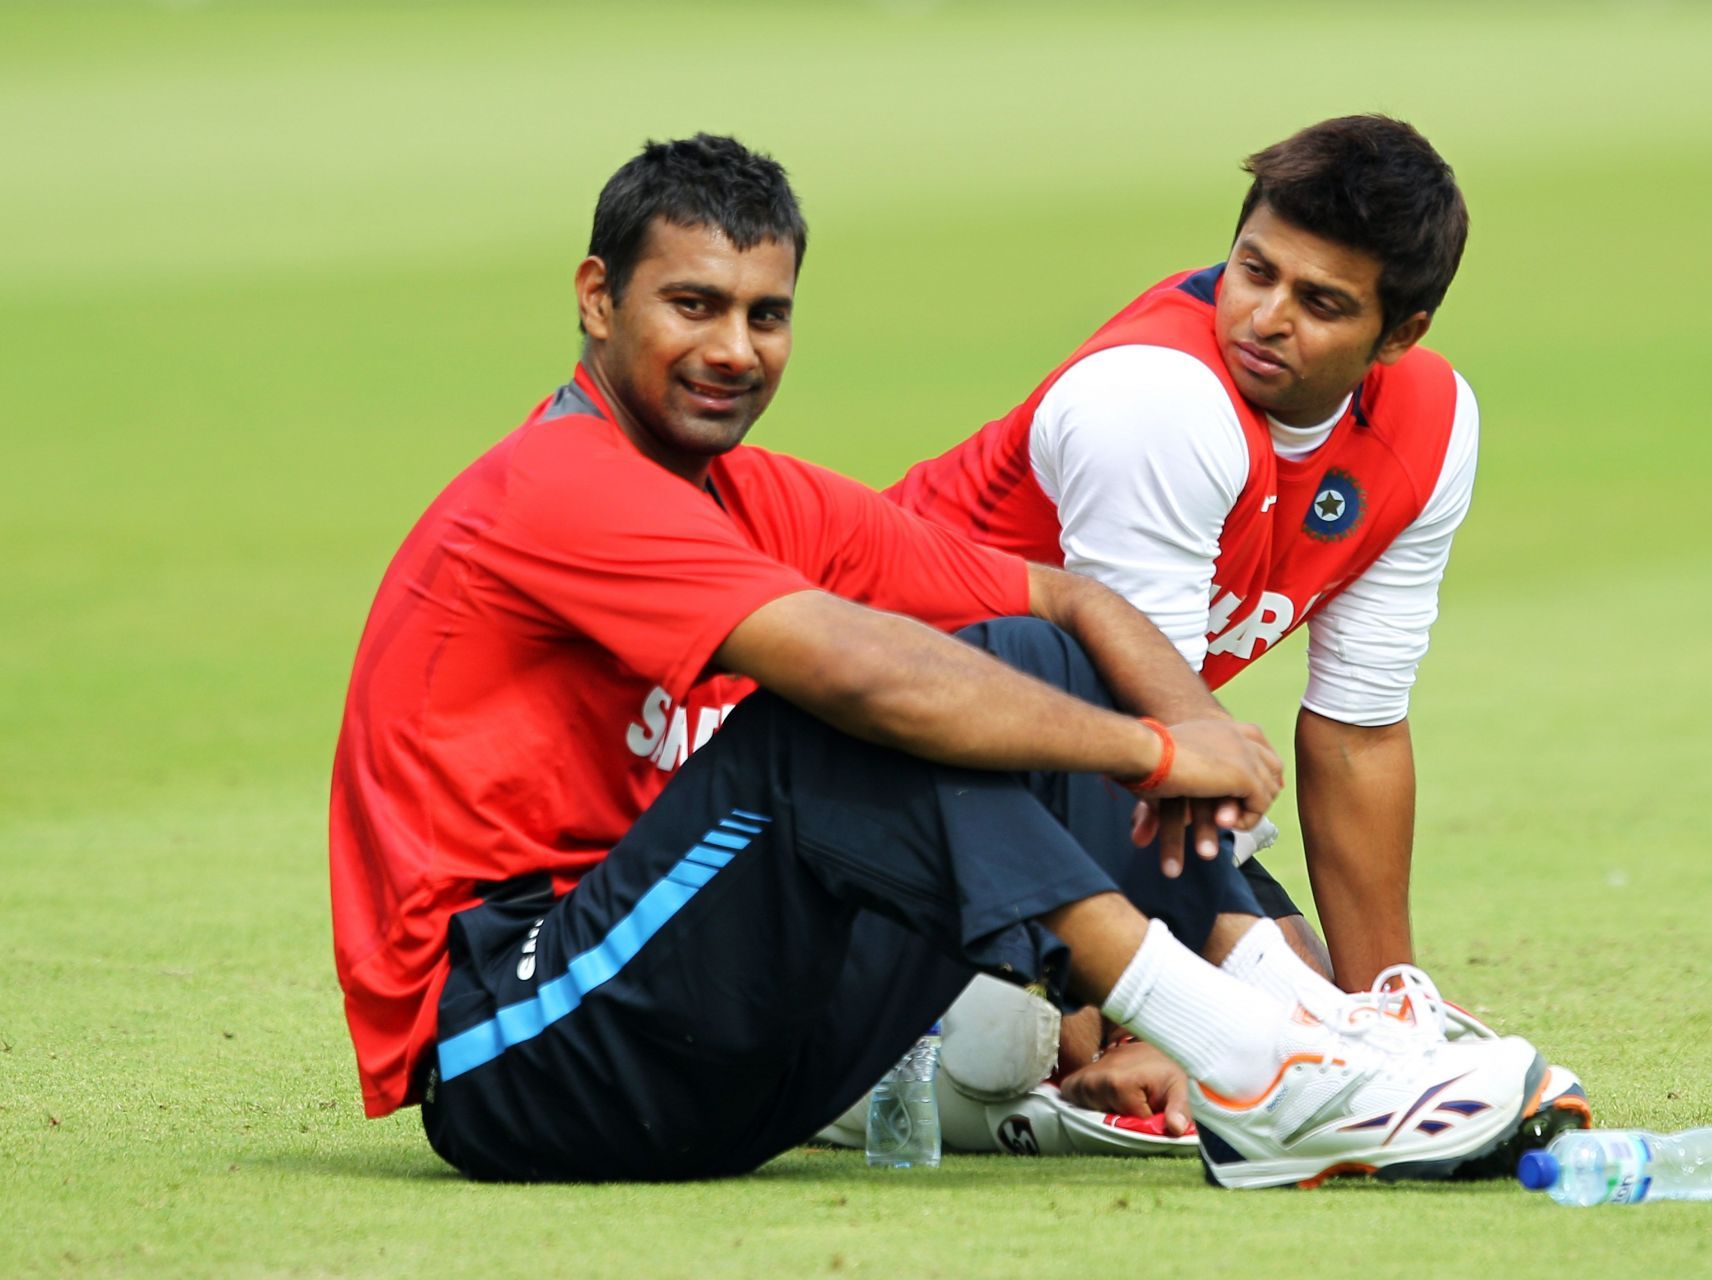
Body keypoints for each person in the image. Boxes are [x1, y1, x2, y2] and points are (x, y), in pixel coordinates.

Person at [328, 133, 1544, 1187]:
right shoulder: (561, 482)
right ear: (599, 298)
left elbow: (1065, 596)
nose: (736, 349)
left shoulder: (755, 493)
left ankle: (1331, 1032)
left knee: (1029, 654)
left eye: (766, 313)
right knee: (840, 721)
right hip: (518, 1040)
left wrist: (1186, 725)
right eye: (692, 304)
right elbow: (863, 679)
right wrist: (1156, 745)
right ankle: (1252, 1061)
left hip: (715, 1031)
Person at [885, 116, 1591, 1152]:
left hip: (1063, 762)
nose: (1264, 317)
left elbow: (1358, 733)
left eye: (1322, 303)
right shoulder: (1157, 399)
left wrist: (1380, 1005)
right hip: (882, 750)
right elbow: (1140, 740)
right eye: (1252, 270)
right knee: (1030, 1035)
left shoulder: (1430, 428)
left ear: (1400, 333)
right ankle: (933, 1079)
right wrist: (1177, 1020)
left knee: (1296, 998)